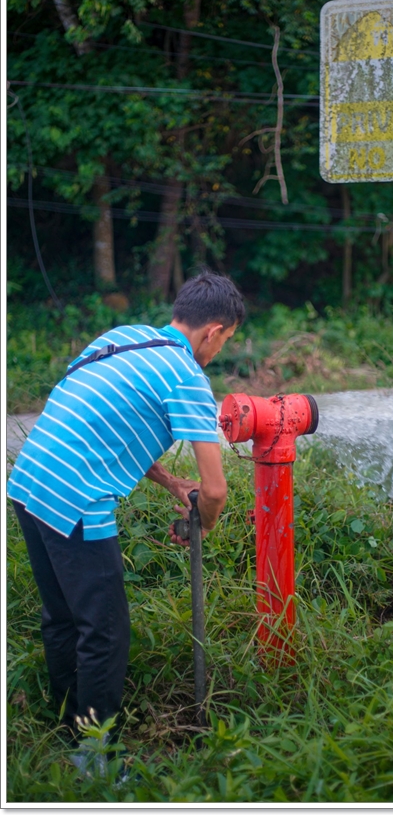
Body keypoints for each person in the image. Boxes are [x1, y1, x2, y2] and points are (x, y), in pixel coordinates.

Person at [7, 269, 245, 754]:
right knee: (106, 633)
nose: (218, 352)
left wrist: (170, 481)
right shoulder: (189, 378)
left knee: (63, 619)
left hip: (29, 482)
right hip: (76, 500)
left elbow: (97, 415)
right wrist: (205, 519)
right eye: (225, 341)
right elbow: (216, 490)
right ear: (214, 331)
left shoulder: (124, 338)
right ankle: (95, 760)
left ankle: (67, 732)